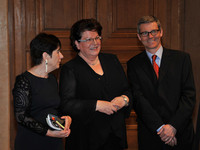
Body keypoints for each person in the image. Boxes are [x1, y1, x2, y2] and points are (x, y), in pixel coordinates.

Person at [59, 18, 132, 150]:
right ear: (77, 44)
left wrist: (124, 99)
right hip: (86, 139)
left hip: (115, 137)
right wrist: (97, 105)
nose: (95, 43)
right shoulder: (70, 69)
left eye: (97, 38)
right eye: (88, 39)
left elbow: (128, 90)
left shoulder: (112, 60)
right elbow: (67, 104)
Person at [127, 15, 196, 150]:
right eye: (145, 33)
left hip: (180, 134)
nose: (150, 36)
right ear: (139, 37)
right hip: (151, 135)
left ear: (161, 32)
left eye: (154, 31)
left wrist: (172, 127)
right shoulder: (133, 64)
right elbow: (139, 100)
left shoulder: (181, 59)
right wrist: (161, 128)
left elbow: (189, 97)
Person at [12, 33, 72, 150]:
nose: (62, 56)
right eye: (58, 52)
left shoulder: (52, 79)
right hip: (32, 142)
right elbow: (21, 116)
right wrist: (49, 132)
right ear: (46, 56)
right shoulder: (24, 81)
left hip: (54, 142)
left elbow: (52, 109)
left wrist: (65, 119)